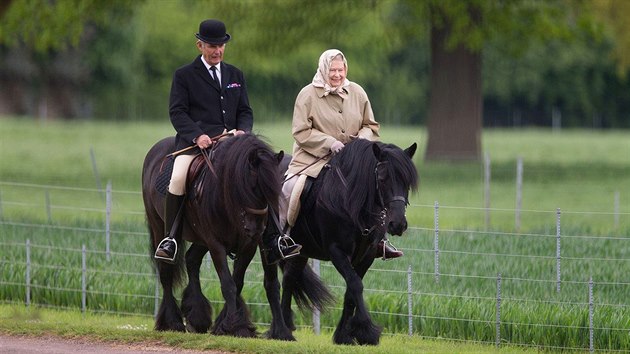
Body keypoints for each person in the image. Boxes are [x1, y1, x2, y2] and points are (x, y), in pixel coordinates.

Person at [154, 19, 300, 264]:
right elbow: (177, 112)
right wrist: (197, 135)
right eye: (212, 46)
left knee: (264, 174)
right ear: (200, 45)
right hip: (197, 145)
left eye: (221, 45)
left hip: (233, 144)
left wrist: (243, 131)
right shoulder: (184, 75)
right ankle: (170, 239)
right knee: (178, 177)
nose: (217, 50)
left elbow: (245, 110)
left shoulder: (235, 74)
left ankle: (276, 239)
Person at [280, 49, 403, 260]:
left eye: (341, 69)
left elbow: (370, 125)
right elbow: (301, 131)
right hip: (314, 158)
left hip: (353, 160)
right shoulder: (307, 94)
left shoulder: (358, 92)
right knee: (292, 189)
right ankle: (284, 237)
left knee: (376, 187)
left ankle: (380, 241)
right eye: (332, 70)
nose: (337, 75)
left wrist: (362, 139)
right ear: (323, 69)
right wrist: (330, 143)